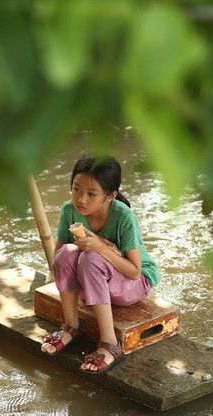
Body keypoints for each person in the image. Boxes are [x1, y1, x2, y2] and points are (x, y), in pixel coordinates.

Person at [40, 154, 160, 373]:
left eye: (91, 194)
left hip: (134, 284)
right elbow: (59, 258)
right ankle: (71, 327)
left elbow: (135, 272)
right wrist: (79, 247)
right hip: (93, 282)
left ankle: (110, 345)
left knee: (92, 257)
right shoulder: (70, 210)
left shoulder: (124, 217)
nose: (81, 199)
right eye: (76, 189)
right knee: (67, 252)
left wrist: (102, 247)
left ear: (110, 196)